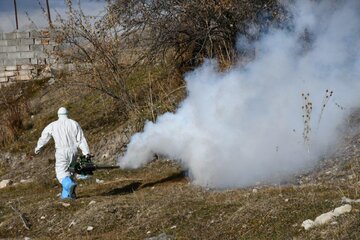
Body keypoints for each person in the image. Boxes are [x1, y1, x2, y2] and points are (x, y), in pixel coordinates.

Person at [35, 107, 90, 200]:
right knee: (70, 172)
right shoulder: (74, 123)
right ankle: (67, 195)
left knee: (61, 173)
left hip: (61, 151)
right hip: (74, 150)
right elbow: (81, 139)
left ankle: (69, 185)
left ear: (58, 115)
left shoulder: (53, 125)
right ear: (67, 114)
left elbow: (44, 137)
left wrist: (38, 148)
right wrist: (86, 153)